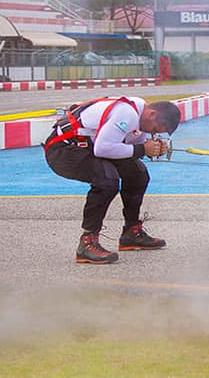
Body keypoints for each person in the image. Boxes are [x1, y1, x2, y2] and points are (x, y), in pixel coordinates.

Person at [42, 95, 183, 264]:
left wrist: (152, 148)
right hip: (62, 150)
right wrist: (142, 149)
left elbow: (127, 146)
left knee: (138, 174)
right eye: (154, 130)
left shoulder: (139, 114)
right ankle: (87, 242)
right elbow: (103, 148)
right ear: (152, 114)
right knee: (106, 179)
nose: (152, 133)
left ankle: (131, 232)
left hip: (86, 147)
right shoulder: (127, 113)